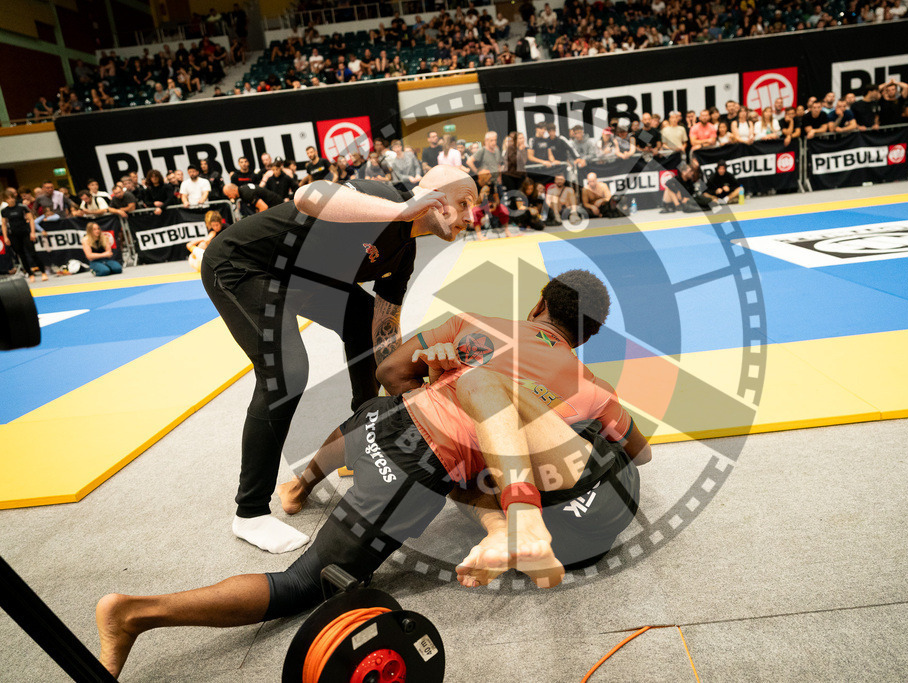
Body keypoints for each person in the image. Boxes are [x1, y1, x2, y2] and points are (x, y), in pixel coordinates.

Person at [95, 271, 649, 678]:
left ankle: (300, 484)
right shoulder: (593, 389)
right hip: (412, 472)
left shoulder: (474, 320)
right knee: (300, 585)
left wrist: (440, 386)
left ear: (536, 305)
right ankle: (136, 613)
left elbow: (387, 372)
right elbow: (639, 454)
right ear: (589, 335)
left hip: (385, 425)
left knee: (378, 413)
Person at [200, 167, 475, 553]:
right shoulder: (383, 198)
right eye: (463, 203)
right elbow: (308, 195)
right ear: (434, 195)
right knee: (287, 373)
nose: (470, 217)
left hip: (302, 279)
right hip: (244, 266)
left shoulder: (404, 253)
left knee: (363, 322)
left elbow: (385, 332)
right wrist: (401, 210)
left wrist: (406, 386)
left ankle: (363, 431)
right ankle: (250, 513)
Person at [1, 188, 48, 281]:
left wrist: (32, 232)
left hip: (25, 232)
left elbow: (31, 220)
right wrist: (5, 237)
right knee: (21, 255)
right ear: (5, 200)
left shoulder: (22, 207)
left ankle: (43, 272)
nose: (11, 200)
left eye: (12, 197)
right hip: (14, 234)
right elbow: (4, 224)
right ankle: (30, 274)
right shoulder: (4, 211)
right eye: (8, 198)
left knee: (32, 253)